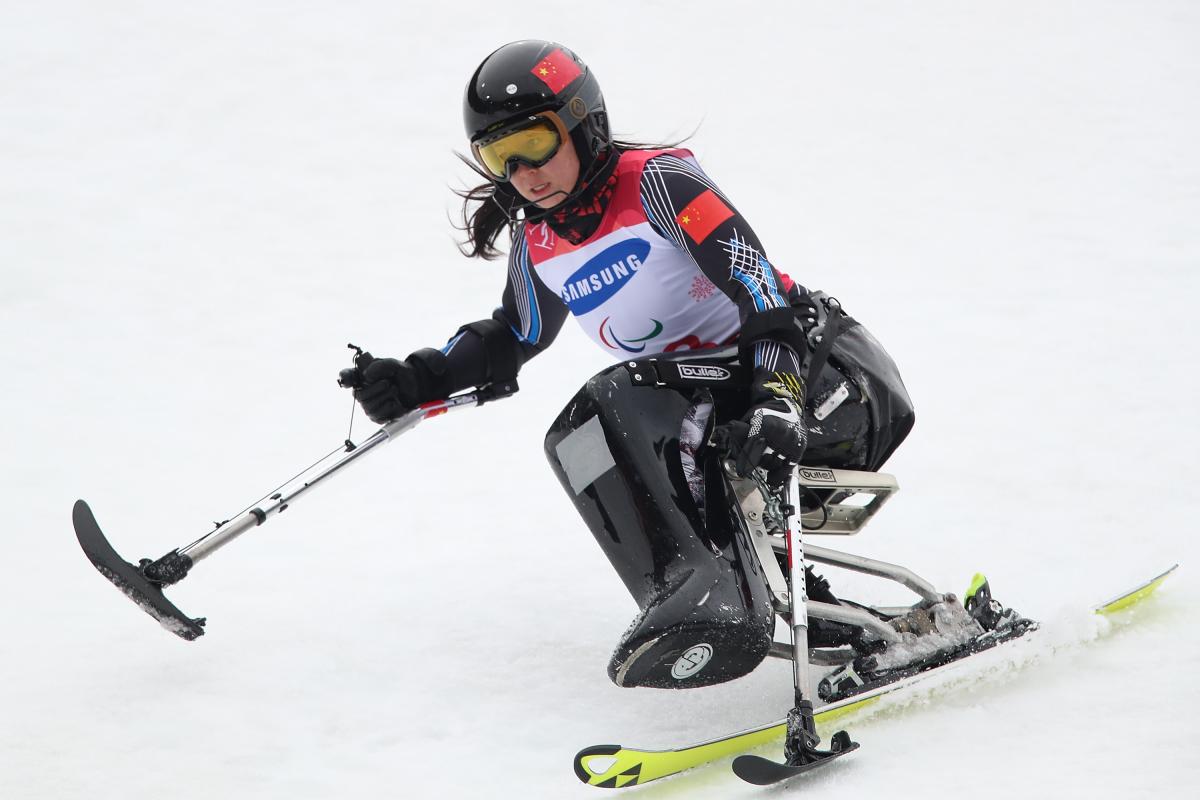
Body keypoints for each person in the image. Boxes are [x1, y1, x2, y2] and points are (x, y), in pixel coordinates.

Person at [339, 41, 916, 689]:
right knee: (578, 437)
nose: (524, 172)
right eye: (500, 157)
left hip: (827, 381)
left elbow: (760, 291)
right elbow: (513, 337)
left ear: (584, 124)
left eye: (534, 141)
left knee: (619, 395)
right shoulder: (539, 241)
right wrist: (416, 378)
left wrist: (779, 396)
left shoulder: (657, 184)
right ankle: (706, 590)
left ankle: (709, 591)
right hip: (721, 419)